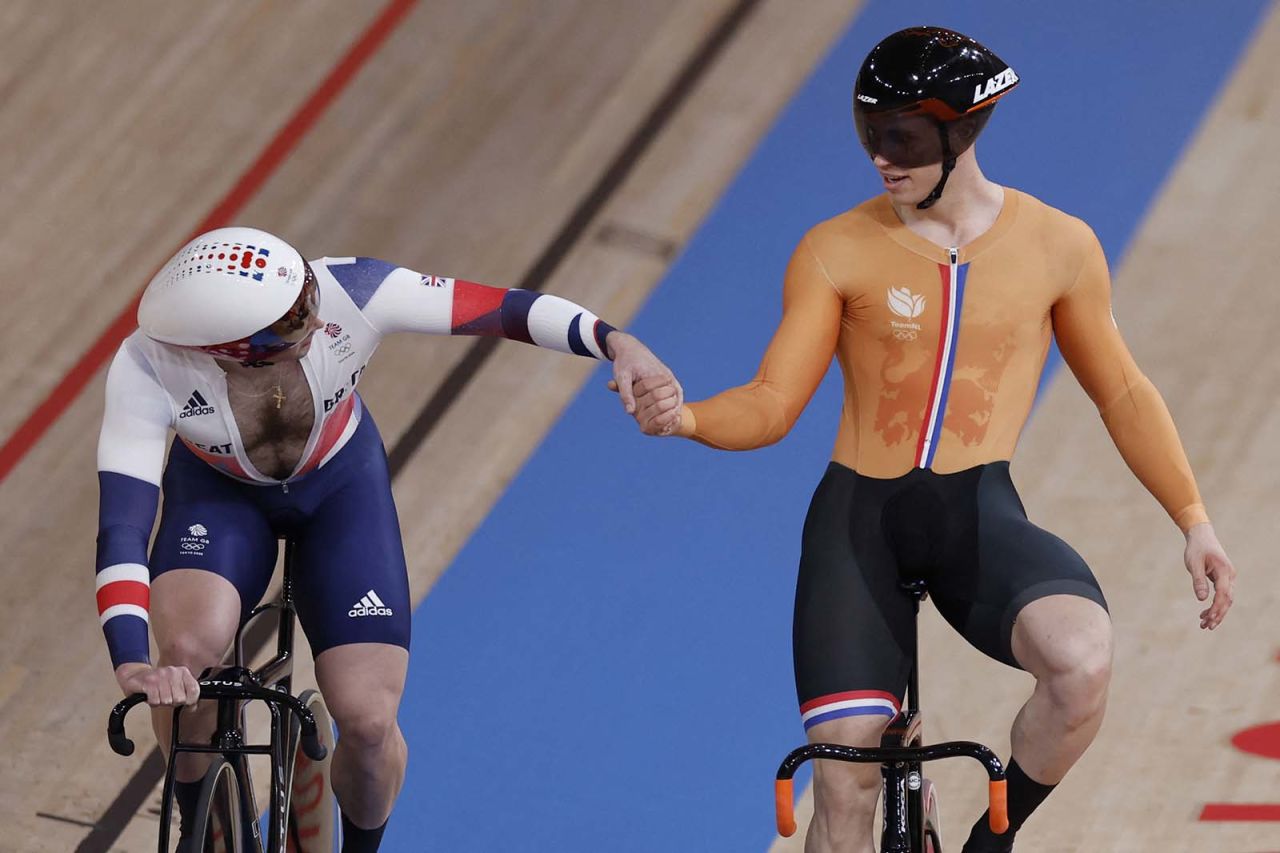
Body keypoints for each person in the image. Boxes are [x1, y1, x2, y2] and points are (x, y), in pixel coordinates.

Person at [627, 26, 1237, 853]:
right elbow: (773, 402)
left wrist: (1192, 516)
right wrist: (687, 416)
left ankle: (991, 841)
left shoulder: (1059, 246)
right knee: (845, 786)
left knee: (1081, 664)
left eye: (902, 137)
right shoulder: (834, 249)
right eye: (869, 133)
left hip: (974, 514)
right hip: (859, 526)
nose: (881, 156)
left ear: (963, 131)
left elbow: (1122, 390)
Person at [94, 226, 681, 852]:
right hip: (220, 496)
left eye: (307, 298)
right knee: (187, 653)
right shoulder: (145, 365)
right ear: (236, 350)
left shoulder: (354, 290)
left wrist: (617, 342)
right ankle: (202, 826)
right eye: (294, 323)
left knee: (369, 721)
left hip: (340, 488)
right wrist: (132, 659)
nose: (317, 323)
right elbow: (124, 524)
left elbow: (502, 309)